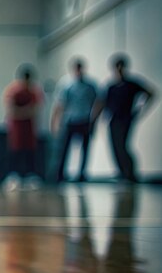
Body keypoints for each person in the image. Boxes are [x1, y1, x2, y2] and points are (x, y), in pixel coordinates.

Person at [102, 54, 156, 183]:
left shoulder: (131, 85)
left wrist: (140, 110)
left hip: (125, 119)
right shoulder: (111, 87)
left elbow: (151, 93)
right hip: (113, 120)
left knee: (122, 146)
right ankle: (122, 173)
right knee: (115, 147)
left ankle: (130, 174)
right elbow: (104, 103)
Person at [51, 57, 103, 182]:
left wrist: (94, 119)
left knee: (85, 148)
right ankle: (60, 174)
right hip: (70, 120)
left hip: (85, 120)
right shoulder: (66, 85)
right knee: (65, 149)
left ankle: (82, 174)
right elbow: (60, 104)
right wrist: (55, 123)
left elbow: (99, 102)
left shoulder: (90, 85)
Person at [2, 64, 44, 190]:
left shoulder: (34, 91)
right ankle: (14, 176)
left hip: (29, 128)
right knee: (15, 151)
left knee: (29, 151)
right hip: (16, 128)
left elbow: (35, 110)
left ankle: (30, 176)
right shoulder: (13, 91)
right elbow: (11, 111)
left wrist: (21, 112)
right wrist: (25, 111)